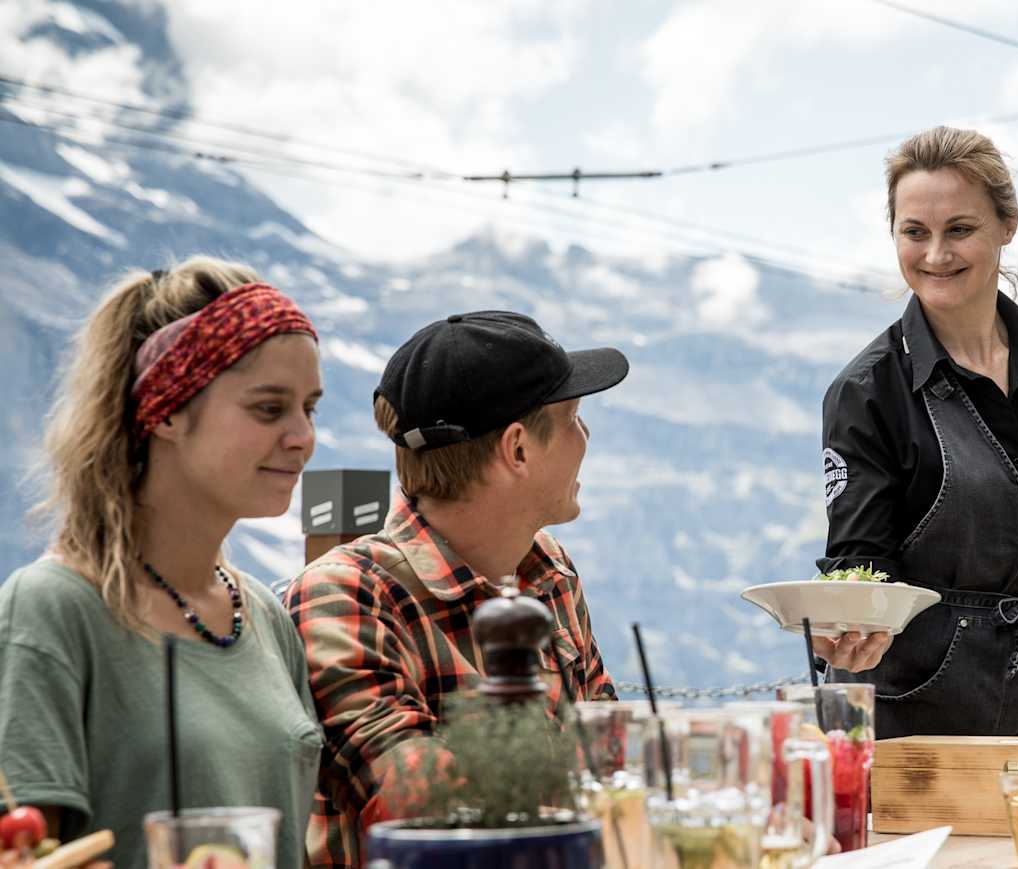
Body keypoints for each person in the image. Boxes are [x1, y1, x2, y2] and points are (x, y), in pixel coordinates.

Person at [0, 260, 324, 869]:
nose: (302, 435)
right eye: (268, 408)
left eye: (310, 407)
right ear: (169, 409)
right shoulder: (53, 611)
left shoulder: (263, 615)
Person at [284, 311, 627, 868]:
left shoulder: (548, 570)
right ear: (518, 449)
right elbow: (420, 807)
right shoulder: (345, 595)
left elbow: (611, 754)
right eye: (573, 419)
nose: (585, 438)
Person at [819, 126, 1018, 739]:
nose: (936, 255)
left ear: (1007, 225)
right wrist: (852, 626)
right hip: (910, 710)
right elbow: (857, 563)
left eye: (960, 229)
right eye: (915, 232)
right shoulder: (867, 391)